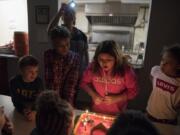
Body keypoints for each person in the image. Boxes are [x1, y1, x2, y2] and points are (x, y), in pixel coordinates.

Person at [80, 40, 137, 115]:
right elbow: (83, 83)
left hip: (118, 113)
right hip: (97, 111)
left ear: (116, 59)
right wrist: (93, 94)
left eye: (109, 60)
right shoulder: (93, 67)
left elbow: (134, 91)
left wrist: (118, 98)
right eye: (101, 59)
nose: (104, 63)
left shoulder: (125, 70)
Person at [47, 3, 89, 75]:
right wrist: (60, 13)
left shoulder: (82, 35)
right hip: (62, 72)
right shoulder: (58, 33)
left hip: (79, 72)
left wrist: (87, 69)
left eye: (71, 14)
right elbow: (50, 31)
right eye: (66, 14)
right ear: (62, 18)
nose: (69, 15)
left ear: (74, 18)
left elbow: (85, 53)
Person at [44, 26, 80, 106]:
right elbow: (51, 81)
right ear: (54, 45)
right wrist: (55, 103)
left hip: (68, 97)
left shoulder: (75, 58)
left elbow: (71, 83)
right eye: (61, 46)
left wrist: (67, 104)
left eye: (67, 44)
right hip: (52, 97)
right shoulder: (48, 55)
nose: (65, 48)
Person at [147, 44, 180, 125]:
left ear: (178, 66)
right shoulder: (157, 70)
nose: (163, 63)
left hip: (168, 119)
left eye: (168, 62)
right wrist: (156, 86)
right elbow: (151, 76)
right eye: (162, 60)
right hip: (150, 114)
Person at [9, 55, 44, 121]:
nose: (34, 75)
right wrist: (23, 110)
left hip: (34, 105)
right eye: (30, 72)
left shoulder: (39, 82)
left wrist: (34, 111)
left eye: (36, 71)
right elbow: (15, 99)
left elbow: (40, 99)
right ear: (21, 71)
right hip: (21, 106)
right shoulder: (14, 82)